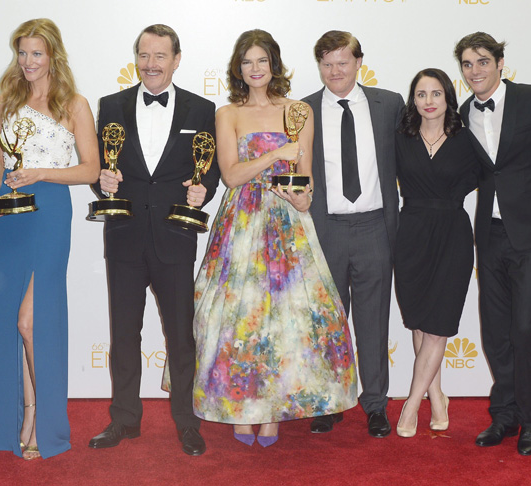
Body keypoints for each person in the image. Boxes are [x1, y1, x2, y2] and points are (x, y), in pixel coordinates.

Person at [193, 29, 358, 448]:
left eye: (261, 61)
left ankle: (273, 412)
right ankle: (241, 408)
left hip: (288, 223)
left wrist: (305, 199)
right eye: (247, 62)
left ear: (274, 64)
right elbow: (231, 175)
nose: (255, 69)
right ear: (238, 68)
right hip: (243, 221)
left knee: (291, 319)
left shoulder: (299, 110)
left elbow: (305, 176)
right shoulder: (228, 113)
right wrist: (272, 156)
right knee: (240, 319)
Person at [0, 18, 99, 460]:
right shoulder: (6, 101)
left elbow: (90, 170)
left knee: (30, 320)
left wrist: (41, 173)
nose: (28, 61)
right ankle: (18, 415)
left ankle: (42, 418)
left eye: (37, 53)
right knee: (8, 321)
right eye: (22, 53)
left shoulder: (74, 103)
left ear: (53, 55)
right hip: (10, 217)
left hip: (50, 212)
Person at [88, 24, 220, 457]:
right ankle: (124, 419)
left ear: (177, 60)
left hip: (175, 236)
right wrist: (102, 182)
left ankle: (187, 421)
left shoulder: (203, 109)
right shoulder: (111, 105)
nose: (151, 64)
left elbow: (211, 167)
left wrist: (206, 190)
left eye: (160, 56)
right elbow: (100, 169)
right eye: (144, 55)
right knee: (124, 335)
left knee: (181, 338)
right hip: (124, 236)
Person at [455, 32, 531, 456]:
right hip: (488, 236)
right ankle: (503, 416)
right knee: (496, 334)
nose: (475, 71)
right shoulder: (463, 112)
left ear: (501, 62)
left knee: (525, 329)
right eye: (468, 64)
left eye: (483, 62)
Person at [302, 31, 404, 437]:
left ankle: (375, 404)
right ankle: (327, 402)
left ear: (359, 62)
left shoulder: (389, 104)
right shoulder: (303, 110)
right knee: (326, 322)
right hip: (324, 228)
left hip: (375, 226)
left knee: (374, 322)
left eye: (342, 62)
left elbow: (423, 148)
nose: (335, 71)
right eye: (327, 64)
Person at [392, 69, 479, 438]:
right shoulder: (400, 138)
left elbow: (501, 170)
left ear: (448, 99)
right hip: (410, 232)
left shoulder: (467, 140)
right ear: (413, 100)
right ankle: (437, 395)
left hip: (452, 236)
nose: (428, 101)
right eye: (421, 94)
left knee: (438, 326)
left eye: (436, 94)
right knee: (419, 322)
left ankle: (411, 405)